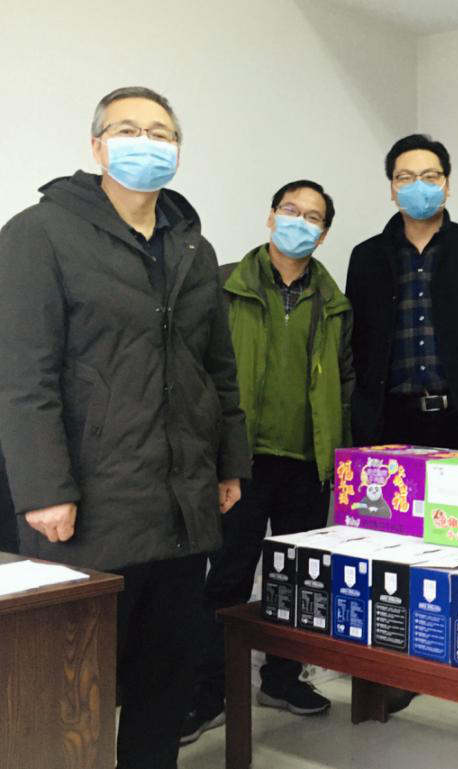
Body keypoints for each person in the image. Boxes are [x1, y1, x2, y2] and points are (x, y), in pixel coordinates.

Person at [0, 86, 249, 769]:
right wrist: (44, 488)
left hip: (180, 501)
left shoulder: (192, 246)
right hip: (87, 505)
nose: (147, 143)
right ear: (97, 145)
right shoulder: (39, 233)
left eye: (161, 133)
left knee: (164, 679)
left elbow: (216, 369)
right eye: (129, 129)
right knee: (72, 687)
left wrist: (229, 462)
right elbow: (22, 376)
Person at [181, 180, 353, 745]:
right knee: (228, 576)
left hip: (307, 462)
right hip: (240, 461)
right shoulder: (224, 283)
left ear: (323, 234)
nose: (299, 222)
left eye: (313, 217)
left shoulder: (333, 301)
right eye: (290, 210)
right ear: (271, 217)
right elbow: (197, 369)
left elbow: (345, 381)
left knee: (299, 579)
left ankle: (281, 679)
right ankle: (209, 692)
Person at [345, 133, 458, 453]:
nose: (419, 186)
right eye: (405, 177)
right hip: (388, 423)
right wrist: (360, 411)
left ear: (447, 184)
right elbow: (356, 343)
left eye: (430, 177)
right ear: (392, 189)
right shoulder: (366, 257)